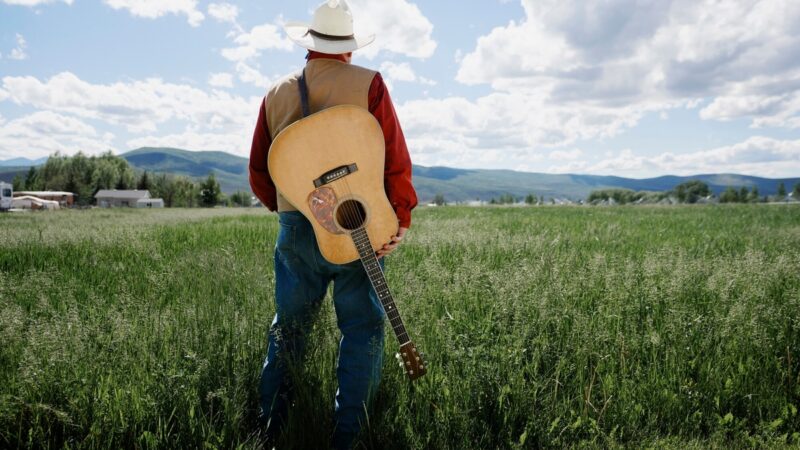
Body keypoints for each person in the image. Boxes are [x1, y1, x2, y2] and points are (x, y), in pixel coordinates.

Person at [247, 1, 417, 448]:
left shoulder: (275, 93)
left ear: (309, 44)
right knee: (362, 328)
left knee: (289, 328)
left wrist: (291, 212)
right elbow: (395, 160)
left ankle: (271, 433)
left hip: (296, 226)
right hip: (358, 225)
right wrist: (400, 217)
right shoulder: (370, 84)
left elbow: (259, 172)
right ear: (348, 48)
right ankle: (348, 438)